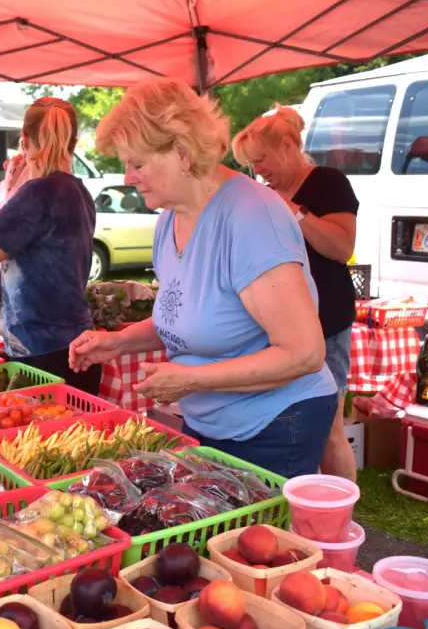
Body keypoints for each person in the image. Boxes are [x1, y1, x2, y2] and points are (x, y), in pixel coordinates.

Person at [69, 79, 338, 478]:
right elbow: (187, 315)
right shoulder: (169, 219)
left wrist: (190, 379)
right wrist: (119, 341)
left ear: (181, 152)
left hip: (274, 424)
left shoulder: (251, 218)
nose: (128, 177)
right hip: (209, 419)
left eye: (137, 163)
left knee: (251, 539)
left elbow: (304, 353)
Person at [232, 106, 360, 482]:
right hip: (281, 328)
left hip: (326, 325)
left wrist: (294, 212)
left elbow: (341, 248)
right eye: (251, 164)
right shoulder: (265, 193)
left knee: (330, 429)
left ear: (288, 145)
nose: (258, 171)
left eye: (261, 159)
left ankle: (340, 516)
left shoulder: (328, 182)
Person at [0, 97, 99, 393]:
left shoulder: (38, 194)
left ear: (24, 140)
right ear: (75, 142)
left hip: (43, 355)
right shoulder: (79, 192)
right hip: (72, 347)